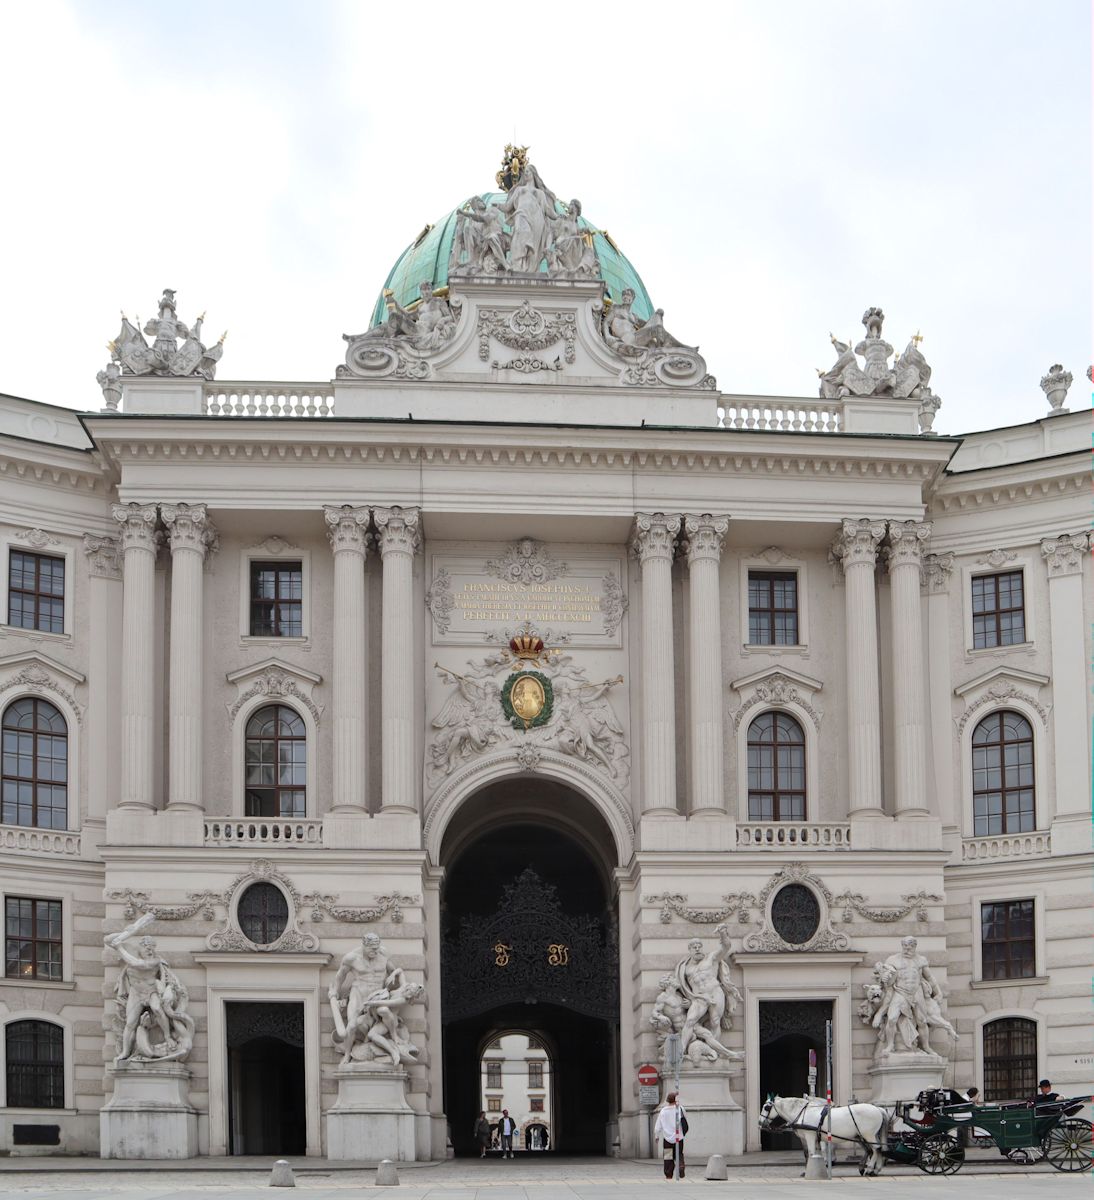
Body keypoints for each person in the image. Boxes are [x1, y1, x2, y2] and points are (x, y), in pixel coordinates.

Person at [655, 1091, 687, 1180]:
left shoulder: (663, 1111)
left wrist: (657, 1135)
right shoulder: (680, 1108)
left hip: (667, 1138)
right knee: (679, 1153)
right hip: (678, 1137)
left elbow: (658, 1125)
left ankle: (668, 1174)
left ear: (667, 1100)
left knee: (668, 1157)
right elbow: (685, 1119)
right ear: (675, 1100)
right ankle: (680, 1165)